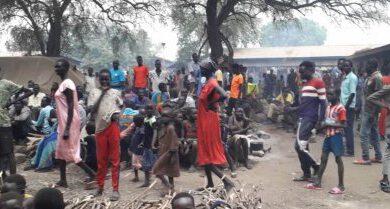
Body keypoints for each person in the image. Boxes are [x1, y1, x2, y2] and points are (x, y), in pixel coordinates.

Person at [52, 59, 96, 188]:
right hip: (63, 122)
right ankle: (63, 180)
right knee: (60, 151)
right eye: (55, 66)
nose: (56, 68)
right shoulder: (62, 84)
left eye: (59, 66)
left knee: (72, 153)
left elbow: (71, 105)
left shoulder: (68, 84)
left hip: (69, 122)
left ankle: (92, 174)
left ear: (66, 68)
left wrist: (67, 128)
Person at [197, 60, 234, 191]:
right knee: (204, 150)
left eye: (202, 68)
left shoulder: (212, 82)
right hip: (204, 118)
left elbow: (224, 94)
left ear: (207, 70)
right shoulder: (207, 82)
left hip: (209, 120)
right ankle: (210, 184)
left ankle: (227, 182)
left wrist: (213, 102)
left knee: (208, 152)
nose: (200, 70)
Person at [88, 69, 123, 201]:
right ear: (98, 79)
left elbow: (120, 107)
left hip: (112, 127)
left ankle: (115, 189)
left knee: (115, 160)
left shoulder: (115, 92)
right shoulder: (94, 92)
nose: (104, 81)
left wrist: (117, 114)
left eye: (106, 79)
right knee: (101, 161)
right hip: (100, 129)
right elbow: (92, 110)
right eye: (102, 79)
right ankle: (100, 187)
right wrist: (102, 94)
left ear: (110, 79)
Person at [305, 89, 346, 194]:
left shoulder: (341, 108)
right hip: (328, 137)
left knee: (338, 160)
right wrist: (318, 129)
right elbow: (326, 121)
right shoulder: (328, 107)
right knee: (323, 158)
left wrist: (328, 125)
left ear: (337, 95)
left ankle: (341, 186)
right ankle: (318, 182)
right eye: (328, 94)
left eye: (331, 94)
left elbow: (343, 124)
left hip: (336, 136)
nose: (328, 96)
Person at [293, 61, 326, 182]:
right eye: (300, 72)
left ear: (311, 70)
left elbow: (323, 102)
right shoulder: (305, 84)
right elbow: (304, 104)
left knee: (299, 146)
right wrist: (298, 119)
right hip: (303, 118)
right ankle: (306, 173)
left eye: (303, 71)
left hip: (310, 118)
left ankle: (316, 166)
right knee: (303, 146)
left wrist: (320, 121)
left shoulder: (318, 82)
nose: (301, 74)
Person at [0, 67, 33, 180]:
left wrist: (14, 102)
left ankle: (13, 180)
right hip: (4, 123)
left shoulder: (6, 84)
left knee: (9, 152)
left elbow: (29, 91)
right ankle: (4, 174)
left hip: (3, 123)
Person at [354, 59, 383, 165]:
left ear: (374, 66)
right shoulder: (371, 77)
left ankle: (365, 158)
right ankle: (378, 156)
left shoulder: (377, 78)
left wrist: (374, 112)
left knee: (363, 134)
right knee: (374, 134)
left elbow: (380, 97)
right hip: (367, 109)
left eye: (369, 65)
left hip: (371, 111)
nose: (367, 67)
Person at [365, 83, 390, 192]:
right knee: (388, 152)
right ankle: (385, 178)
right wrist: (385, 106)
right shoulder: (388, 88)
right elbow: (370, 98)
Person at [152, 104, 180, 195]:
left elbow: (174, 143)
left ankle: (168, 185)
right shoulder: (163, 126)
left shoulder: (170, 128)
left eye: (165, 116)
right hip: (164, 151)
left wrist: (173, 156)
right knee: (168, 170)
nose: (162, 118)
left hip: (169, 153)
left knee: (157, 169)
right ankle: (170, 189)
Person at [339, 60, 358, 157]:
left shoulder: (352, 77)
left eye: (347, 66)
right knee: (345, 129)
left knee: (348, 128)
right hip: (343, 106)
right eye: (344, 66)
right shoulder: (344, 77)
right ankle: (348, 148)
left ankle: (351, 151)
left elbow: (352, 93)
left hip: (348, 107)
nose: (345, 67)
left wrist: (345, 107)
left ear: (351, 67)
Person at [141, 104, 158, 187]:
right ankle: (146, 182)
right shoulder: (145, 119)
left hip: (151, 145)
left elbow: (155, 132)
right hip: (146, 144)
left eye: (150, 109)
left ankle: (164, 182)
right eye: (147, 109)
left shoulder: (153, 120)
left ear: (152, 110)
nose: (148, 111)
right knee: (145, 164)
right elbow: (145, 132)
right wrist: (142, 142)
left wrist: (153, 143)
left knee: (155, 164)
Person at [129, 115, 145, 183]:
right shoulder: (138, 127)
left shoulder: (142, 129)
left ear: (139, 122)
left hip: (138, 149)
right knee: (134, 164)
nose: (134, 123)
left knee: (136, 164)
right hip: (135, 148)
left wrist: (141, 144)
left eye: (135, 122)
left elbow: (143, 138)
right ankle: (136, 176)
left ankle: (147, 172)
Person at [378, 62, 390, 141]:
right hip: (385, 102)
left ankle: (382, 135)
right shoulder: (383, 79)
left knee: (382, 120)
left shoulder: (382, 79)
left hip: (384, 103)